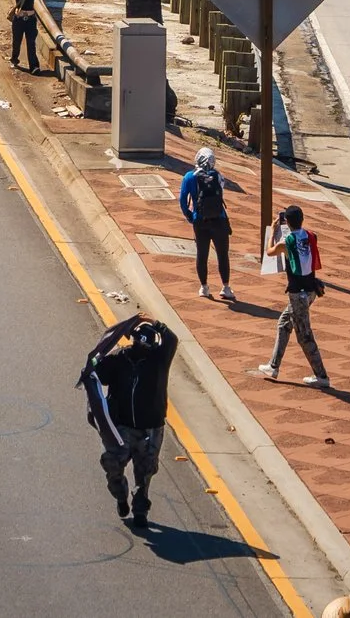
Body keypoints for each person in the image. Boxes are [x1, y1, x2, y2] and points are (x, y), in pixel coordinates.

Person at [79, 313, 177, 531]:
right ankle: (121, 495)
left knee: (146, 470)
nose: (141, 351)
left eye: (146, 348)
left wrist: (153, 322)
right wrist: (91, 366)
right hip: (121, 426)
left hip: (151, 426)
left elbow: (172, 339)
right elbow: (96, 370)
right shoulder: (118, 359)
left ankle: (140, 509)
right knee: (112, 463)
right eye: (138, 346)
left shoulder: (159, 361)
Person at [259, 203, 328, 386]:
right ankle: (273, 366)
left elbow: (269, 252)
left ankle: (322, 376)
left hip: (298, 294)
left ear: (287, 222)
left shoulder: (285, 243)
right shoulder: (311, 236)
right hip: (312, 288)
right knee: (283, 324)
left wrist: (273, 231)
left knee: (304, 335)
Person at [178, 146, 235, 303]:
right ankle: (226, 287)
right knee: (222, 254)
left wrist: (190, 216)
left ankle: (204, 287)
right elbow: (220, 195)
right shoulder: (218, 176)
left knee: (202, 255)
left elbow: (183, 200)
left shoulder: (189, 177)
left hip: (200, 221)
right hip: (220, 220)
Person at [6, 0, 44, 72]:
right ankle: (14, 59)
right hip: (19, 19)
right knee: (16, 41)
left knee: (31, 43)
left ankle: (34, 66)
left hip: (30, 20)